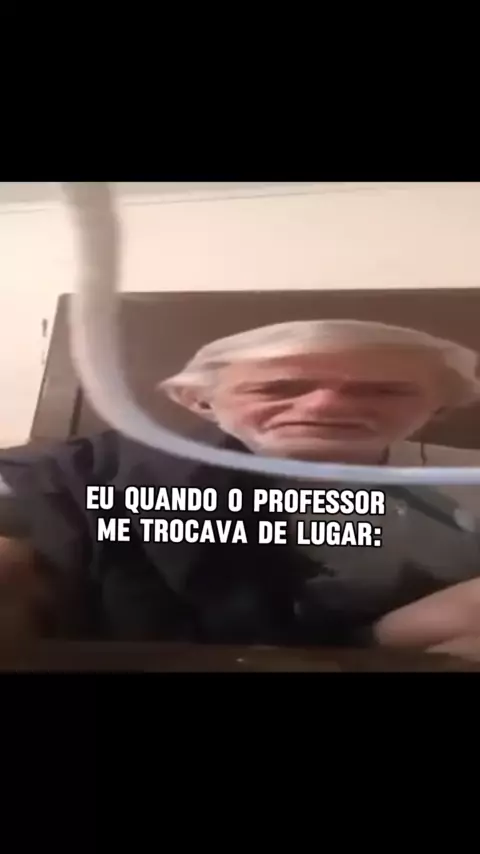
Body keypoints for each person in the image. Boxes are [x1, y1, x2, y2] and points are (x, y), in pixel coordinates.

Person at [2, 317, 480, 655]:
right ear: (200, 402)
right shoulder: (100, 469)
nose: (323, 406)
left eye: (385, 390)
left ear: (439, 406)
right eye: (277, 388)